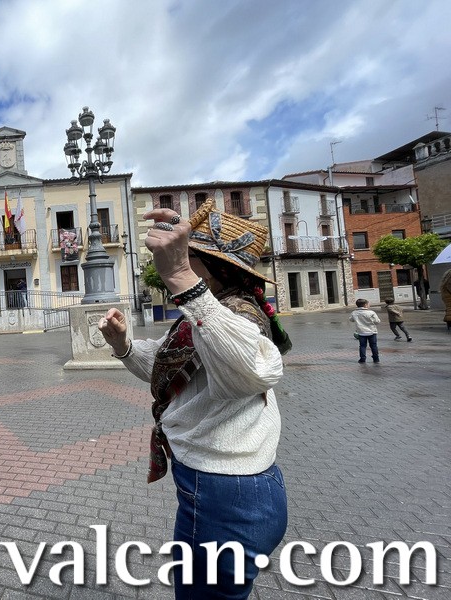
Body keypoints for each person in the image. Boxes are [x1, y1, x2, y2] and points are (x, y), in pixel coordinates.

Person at [98, 200, 290, 599]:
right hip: (213, 488)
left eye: (189, 256)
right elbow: (171, 368)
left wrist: (180, 276)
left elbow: (254, 371)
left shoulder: (239, 313)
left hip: (228, 496)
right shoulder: (208, 312)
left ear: (214, 268)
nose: (177, 259)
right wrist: (123, 345)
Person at [350, 298, 381, 363]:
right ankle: (376, 359)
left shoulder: (354, 312)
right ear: (365, 305)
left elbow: (351, 319)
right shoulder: (371, 312)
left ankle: (362, 358)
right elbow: (377, 321)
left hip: (361, 332)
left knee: (362, 346)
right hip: (372, 331)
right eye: (368, 304)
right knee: (373, 345)